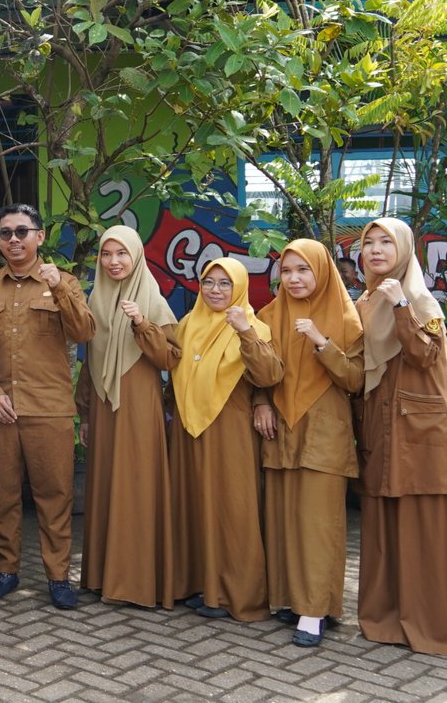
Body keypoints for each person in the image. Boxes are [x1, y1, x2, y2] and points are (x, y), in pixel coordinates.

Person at [354, 217, 447, 658]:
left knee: (429, 521)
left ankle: (438, 621)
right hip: (383, 422)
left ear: (404, 249)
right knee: (387, 519)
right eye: (369, 242)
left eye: (386, 242)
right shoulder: (365, 300)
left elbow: (423, 355)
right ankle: (391, 616)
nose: (376, 250)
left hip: (423, 428)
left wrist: (400, 305)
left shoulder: (417, 297)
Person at [0, 203, 95, 609]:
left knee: (55, 496)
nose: (14, 239)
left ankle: (58, 577)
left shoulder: (65, 281)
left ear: (39, 236)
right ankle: (6, 571)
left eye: (22, 231)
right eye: (6, 233)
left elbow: (84, 331)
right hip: (1, 410)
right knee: (3, 495)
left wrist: (59, 288)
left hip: (49, 409)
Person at [254, 239, 363, 647]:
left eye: (303, 270)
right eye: (286, 271)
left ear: (322, 271)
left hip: (325, 431)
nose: (294, 278)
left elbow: (355, 379)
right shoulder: (268, 315)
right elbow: (259, 371)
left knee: (318, 524)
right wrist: (261, 402)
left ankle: (315, 610)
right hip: (281, 429)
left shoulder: (346, 318)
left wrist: (321, 341)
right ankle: (290, 599)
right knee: (283, 519)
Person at [167, 257, 283, 622]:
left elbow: (268, 376)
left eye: (224, 283)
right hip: (188, 427)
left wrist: (245, 331)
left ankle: (237, 594)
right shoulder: (188, 324)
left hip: (230, 425)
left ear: (239, 287)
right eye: (208, 282)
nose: (215, 290)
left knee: (233, 507)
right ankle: (202, 585)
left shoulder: (254, 325)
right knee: (195, 503)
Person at [74, 225, 179, 610]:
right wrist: (86, 413)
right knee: (105, 485)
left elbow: (169, 358)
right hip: (104, 407)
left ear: (136, 256)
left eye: (121, 254)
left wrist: (141, 324)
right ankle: (103, 577)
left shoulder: (152, 299)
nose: (113, 261)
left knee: (136, 484)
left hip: (137, 406)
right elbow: (91, 363)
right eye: (106, 254)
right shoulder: (97, 300)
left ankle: (137, 582)